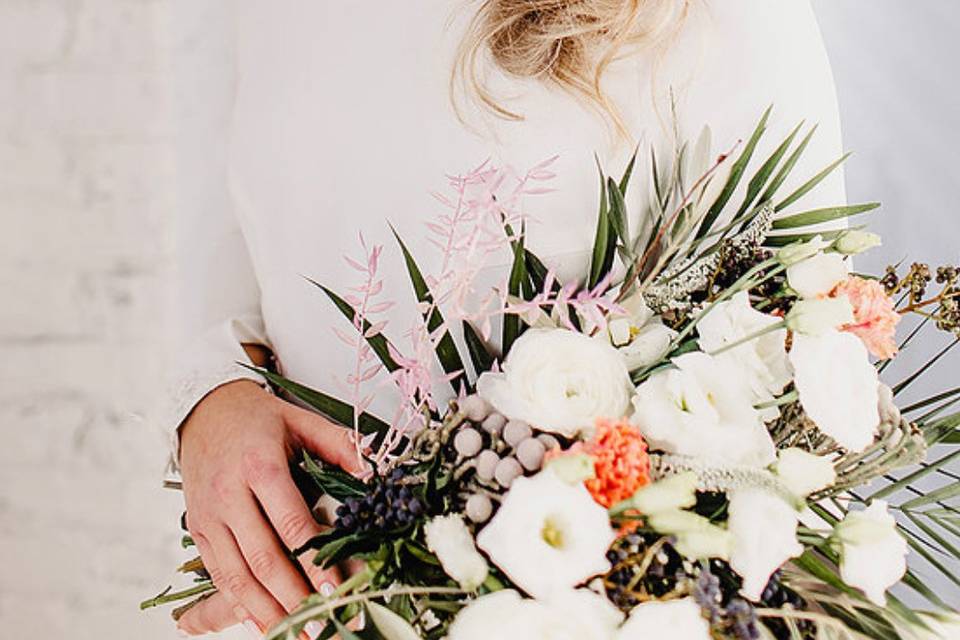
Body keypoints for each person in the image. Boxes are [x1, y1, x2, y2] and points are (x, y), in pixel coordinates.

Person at [168, 0, 846, 635]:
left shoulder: (730, 21)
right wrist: (213, 395)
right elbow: (212, 210)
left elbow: (788, 371)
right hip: (294, 594)